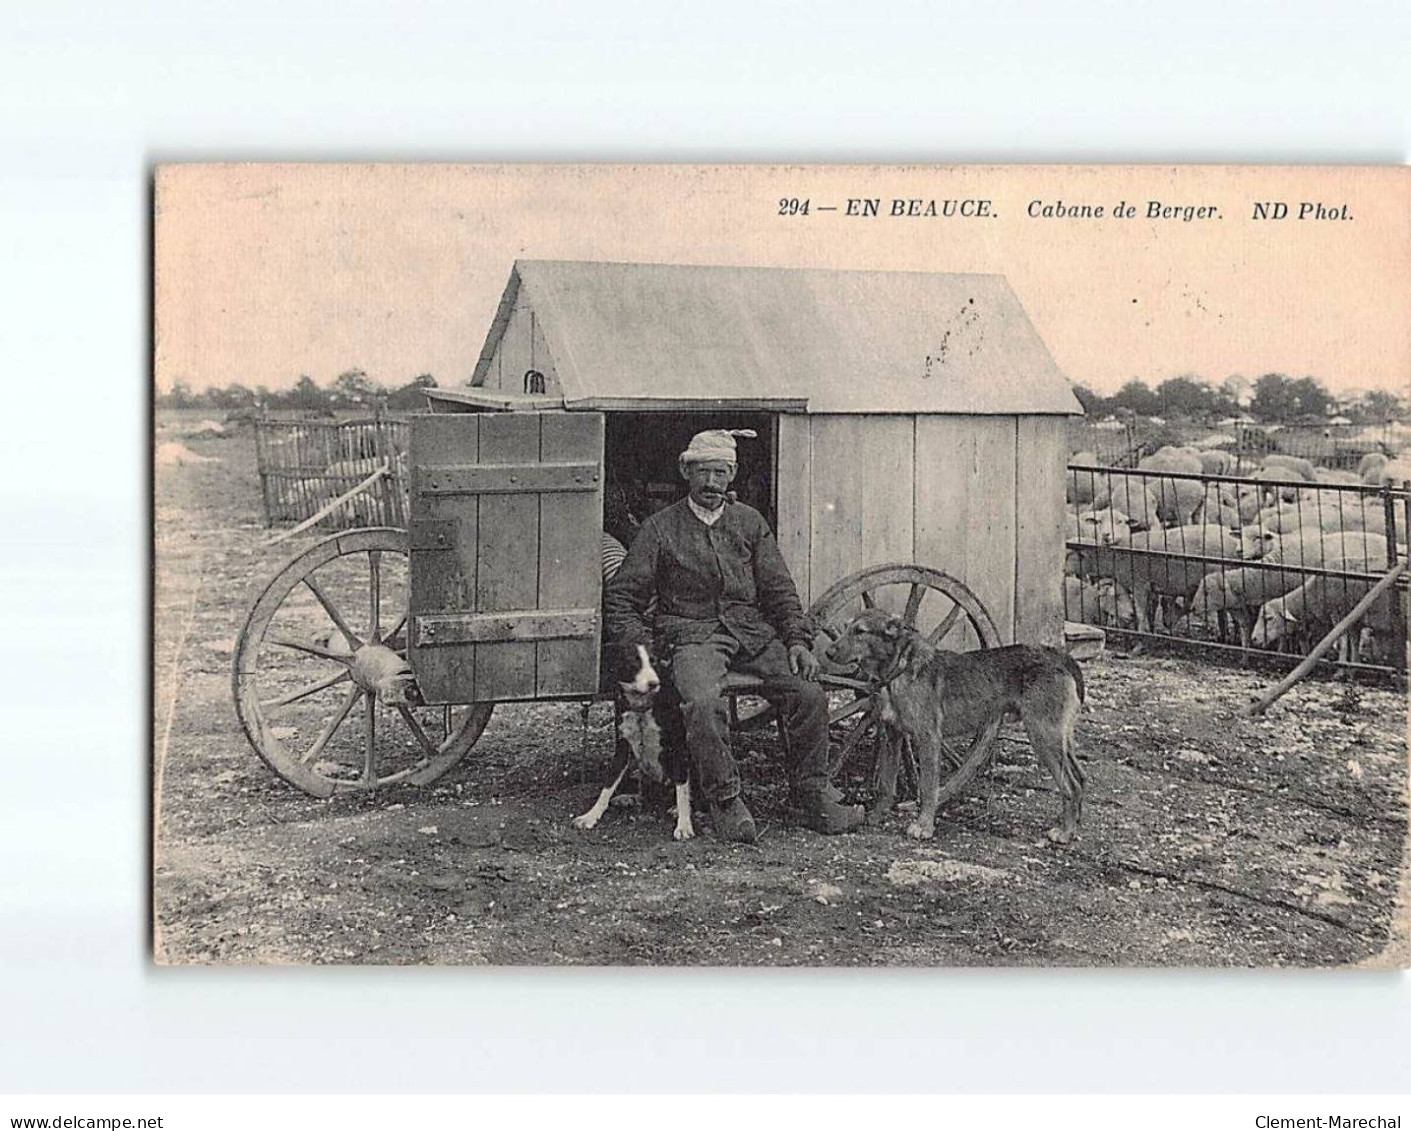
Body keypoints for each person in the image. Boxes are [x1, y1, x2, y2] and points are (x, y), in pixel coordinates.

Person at [604, 428, 864, 843]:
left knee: (808, 694)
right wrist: (647, 655)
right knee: (703, 703)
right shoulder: (659, 529)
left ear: (733, 475)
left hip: (751, 633)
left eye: (720, 473)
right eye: (703, 473)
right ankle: (724, 800)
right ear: (685, 472)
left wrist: (796, 641)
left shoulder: (749, 523)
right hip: (692, 637)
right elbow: (621, 600)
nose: (711, 483)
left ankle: (812, 793)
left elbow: (779, 588)